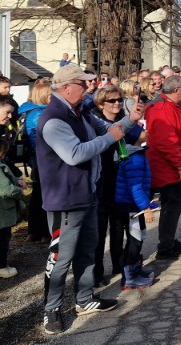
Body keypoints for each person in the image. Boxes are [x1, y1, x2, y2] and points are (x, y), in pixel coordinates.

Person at [38, 64, 143, 335]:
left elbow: (109, 129)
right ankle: (51, 309)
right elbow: (75, 154)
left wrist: (131, 119)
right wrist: (110, 137)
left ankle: (84, 300)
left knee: (87, 251)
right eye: (83, 84)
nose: (88, 89)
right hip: (65, 201)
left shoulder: (80, 111)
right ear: (66, 87)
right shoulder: (53, 119)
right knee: (60, 258)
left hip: (87, 194)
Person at [90, 86, 146, 288]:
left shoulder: (124, 115)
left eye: (119, 100)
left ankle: (118, 264)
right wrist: (130, 123)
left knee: (118, 225)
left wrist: (137, 125)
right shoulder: (94, 120)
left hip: (120, 179)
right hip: (101, 180)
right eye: (112, 100)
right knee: (98, 230)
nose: (117, 103)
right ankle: (96, 273)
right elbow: (110, 134)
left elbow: (142, 136)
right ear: (100, 103)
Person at [145, 75, 181, 261]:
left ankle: (167, 242)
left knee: (173, 203)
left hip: (169, 165)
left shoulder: (171, 106)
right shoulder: (162, 109)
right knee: (172, 203)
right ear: (176, 90)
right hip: (166, 166)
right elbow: (166, 142)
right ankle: (165, 247)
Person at [114, 142, 157, 290]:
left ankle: (135, 270)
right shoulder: (134, 159)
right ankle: (130, 277)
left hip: (132, 205)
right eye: (141, 130)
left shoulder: (134, 155)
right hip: (131, 207)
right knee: (135, 240)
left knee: (138, 238)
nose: (146, 130)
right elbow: (135, 187)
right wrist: (146, 208)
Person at [18, 81, 51, 242]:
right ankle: (44, 231)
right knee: (44, 194)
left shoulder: (27, 111)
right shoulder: (40, 114)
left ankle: (34, 230)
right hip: (42, 157)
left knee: (38, 193)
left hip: (33, 157)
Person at [0, 102, 25, 279]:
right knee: (2, 240)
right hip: (2, 212)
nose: (10, 116)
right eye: (7, 112)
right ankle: (1, 266)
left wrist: (15, 178)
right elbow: (5, 189)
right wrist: (18, 189)